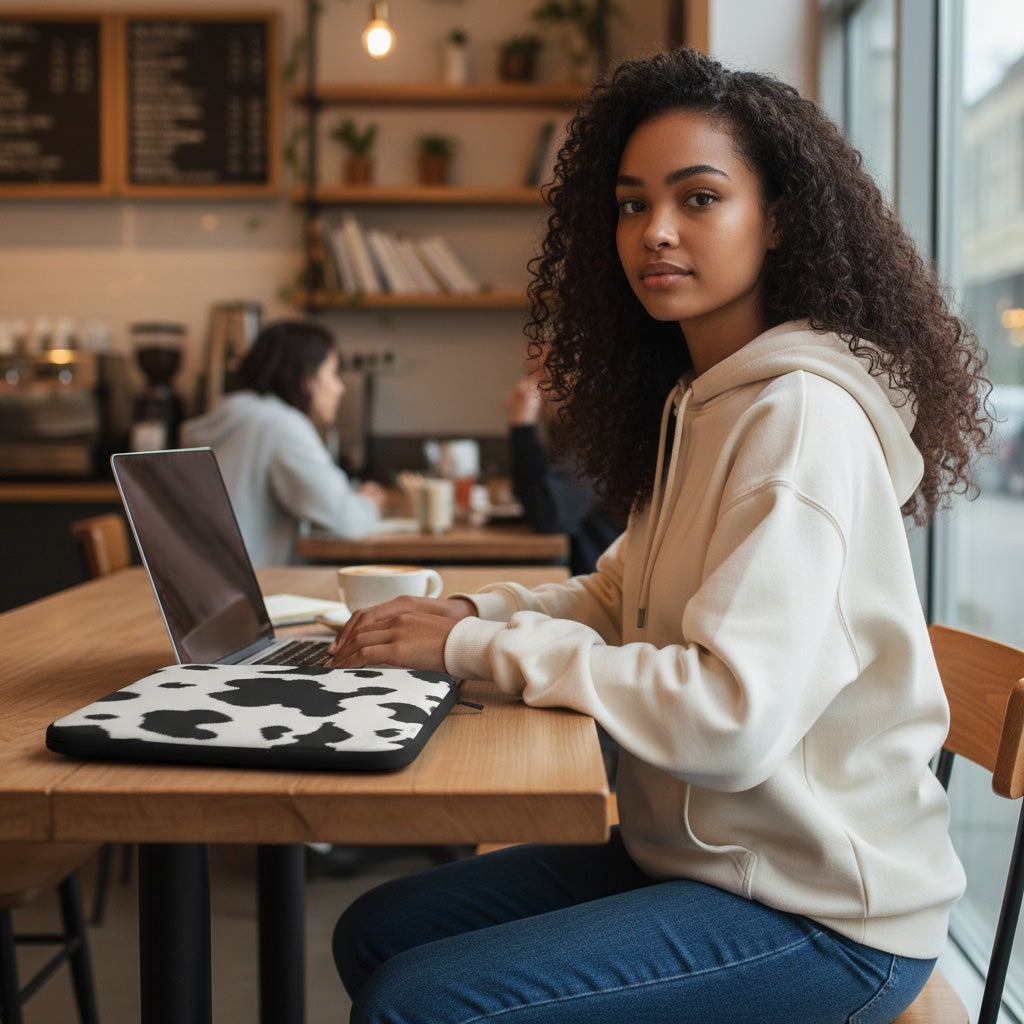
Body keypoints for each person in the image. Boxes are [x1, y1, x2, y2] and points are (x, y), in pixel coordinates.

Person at [325, 47, 991, 1024]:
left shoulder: (797, 418)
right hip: (691, 858)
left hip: (824, 913)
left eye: (698, 198)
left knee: (418, 1002)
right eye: (632, 204)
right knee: (376, 930)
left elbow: (728, 714)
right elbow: (611, 594)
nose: (655, 232)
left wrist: (475, 647)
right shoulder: (701, 403)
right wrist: (470, 610)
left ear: (779, 218)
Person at [181, 319, 386, 566]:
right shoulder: (280, 425)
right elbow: (348, 521)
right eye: (332, 373)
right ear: (308, 378)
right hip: (253, 590)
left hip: (204, 582)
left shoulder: (235, 415)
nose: (339, 388)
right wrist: (369, 502)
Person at [506, 353, 622, 577]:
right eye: (532, 372)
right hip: (582, 573)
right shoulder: (565, 430)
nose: (533, 385)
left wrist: (522, 427)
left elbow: (549, 515)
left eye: (549, 370)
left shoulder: (599, 435)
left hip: (596, 581)